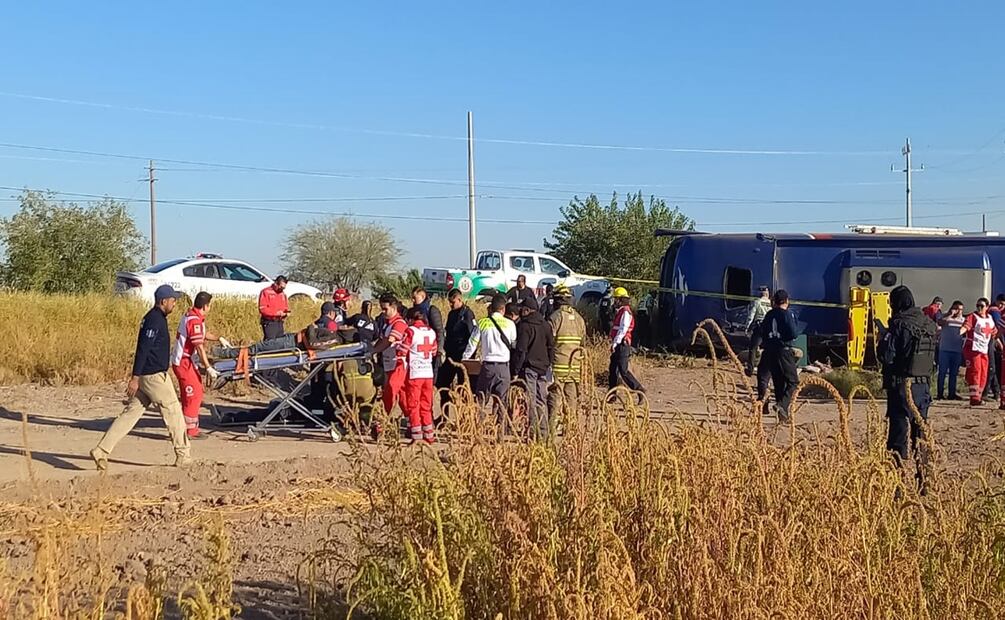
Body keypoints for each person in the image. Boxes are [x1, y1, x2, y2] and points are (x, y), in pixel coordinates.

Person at [91, 285, 191, 471]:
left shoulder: (154, 318)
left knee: (130, 414)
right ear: (163, 301)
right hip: (153, 377)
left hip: (147, 376)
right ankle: (183, 455)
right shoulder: (154, 320)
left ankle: (101, 450)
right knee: (173, 411)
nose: (174, 303)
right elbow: (143, 348)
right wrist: (135, 377)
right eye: (172, 300)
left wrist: (138, 377)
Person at [877, 285, 936, 493]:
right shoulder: (928, 324)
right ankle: (925, 483)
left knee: (898, 438)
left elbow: (887, 356)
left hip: (902, 387)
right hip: (923, 388)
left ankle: (897, 487)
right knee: (921, 436)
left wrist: (883, 337)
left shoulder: (899, 324)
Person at [171, 292, 229, 439]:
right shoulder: (194, 321)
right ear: (205, 306)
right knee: (194, 394)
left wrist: (219, 338)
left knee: (192, 393)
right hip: (184, 362)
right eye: (210, 306)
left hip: (186, 361)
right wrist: (208, 367)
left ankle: (186, 427)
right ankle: (190, 431)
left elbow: (202, 334)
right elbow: (199, 346)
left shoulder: (193, 317)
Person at [463, 294, 517, 428]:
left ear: (491, 308)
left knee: (481, 399)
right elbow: (514, 343)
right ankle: (500, 431)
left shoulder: (482, 323)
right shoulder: (510, 324)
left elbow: (472, 344)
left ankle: (478, 428)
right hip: (504, 368)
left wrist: (464, 360)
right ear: (503, 309)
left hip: (487, 367)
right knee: (502, 401)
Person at [512, 297, 555, 442]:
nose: (520, 311)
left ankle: (533, 432)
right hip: (543, 368)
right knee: (541, 399)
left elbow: (521, 350)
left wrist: (515, 370)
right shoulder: (546, 325)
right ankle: (543, 432)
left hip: (529, 368)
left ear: (527, 310)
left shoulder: (524, 326)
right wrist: (549, 364)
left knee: (530, 400)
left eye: (522, 309)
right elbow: (551, 347)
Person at [756, 290, 800, 421]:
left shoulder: (769, 314)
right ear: (786, 301)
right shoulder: (787, 314)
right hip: (783, 350)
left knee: (778, 381)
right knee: (793, 382)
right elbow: (793, 333)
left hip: (770, 350)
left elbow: (762, 331)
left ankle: (782, 414)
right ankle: (782, 405)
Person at [548, 284, 586, 428]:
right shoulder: (579, 319)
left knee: (555, 398)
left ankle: (551, 430)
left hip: (558, 367)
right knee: (571, 399)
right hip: (574, 367)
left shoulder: (555, 317)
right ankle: (570, 429)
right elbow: (583, 343)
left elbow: (548, 341)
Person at [402, 307, 438, 443]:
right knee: (426, 405)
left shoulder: (410, 331)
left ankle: (416, 436)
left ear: (410, 319)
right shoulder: (431, 332)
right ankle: (429, 435)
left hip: (415, 373)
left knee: (413, 405)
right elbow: (434, 351)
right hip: (428, 373)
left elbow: (402, 351)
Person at [435, 288, 476, 405]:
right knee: (442, 381)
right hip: (451, 354)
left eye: (453, 302)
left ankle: (464, 412)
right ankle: (445, 410)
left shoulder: (468, 314)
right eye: (449, 302)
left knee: (463, 386)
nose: (451, 305)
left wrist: (469, 357)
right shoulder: (451, 314)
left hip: (462, 355)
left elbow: (473, 337)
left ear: (459, 299)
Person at [373, 293, 409, 415]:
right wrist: (371, 349)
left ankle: (384, 417)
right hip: (389, 364)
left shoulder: (399, 323)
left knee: (390, 389)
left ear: (393, 308)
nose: (383, 312)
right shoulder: (386, 323)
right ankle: (411, 418)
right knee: (402, 393)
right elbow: (381, 340)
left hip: (398, 363)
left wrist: (374, 351)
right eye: (382, 309)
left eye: (385, 309)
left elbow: (389, 341)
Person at [608, 287, 644, 393]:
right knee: (613, 369)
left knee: (623, 370)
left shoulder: (625, 312)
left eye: (616, 299)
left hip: (622, 345)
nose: (614, 301)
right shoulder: (620, 311)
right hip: (619, 344)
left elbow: (623, 330)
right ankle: (612, 394)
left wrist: (615, 343)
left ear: (621, 300)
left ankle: (639, 389)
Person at [962, 297, 998, 406]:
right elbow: (966, 326)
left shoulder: (990, 318)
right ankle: (974, 398)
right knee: (975, 371)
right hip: (973, 348)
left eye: (981, 306)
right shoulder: (973, 316)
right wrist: (958, 333)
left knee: (984, 373)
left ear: (987, 307)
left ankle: (979, 395)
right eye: (977, 306)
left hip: (984, 349)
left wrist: (999, 343)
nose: (979, 308)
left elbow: (994, 331)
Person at [410, 286, 445, 373]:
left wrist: (439, 350)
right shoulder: (411, 311)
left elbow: (439, 330)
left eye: (415, 298)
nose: (413, 300)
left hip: (431, 349)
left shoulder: (432, 310)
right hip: (416, 351)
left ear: (422, 296)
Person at [936, 301, 966, 400]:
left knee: (954, 373)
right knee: (942, 372)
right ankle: (940, 393)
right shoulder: (945, 316)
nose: (959, 311)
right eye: (957, 309)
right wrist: (950, 315)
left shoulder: (963, 320)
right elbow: (940, 322)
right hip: (945, 349)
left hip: (957, 350)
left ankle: (951, 394)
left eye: (961, 309)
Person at [745, 286, 772, 376]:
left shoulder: (757, 302)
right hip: (768, 328)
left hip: (759, 327)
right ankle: (768, 370)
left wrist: (747, 327)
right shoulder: (771, 303)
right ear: (767, 293)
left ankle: (750, 370)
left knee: (753, 348)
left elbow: (751, 315)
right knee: (769, 349)